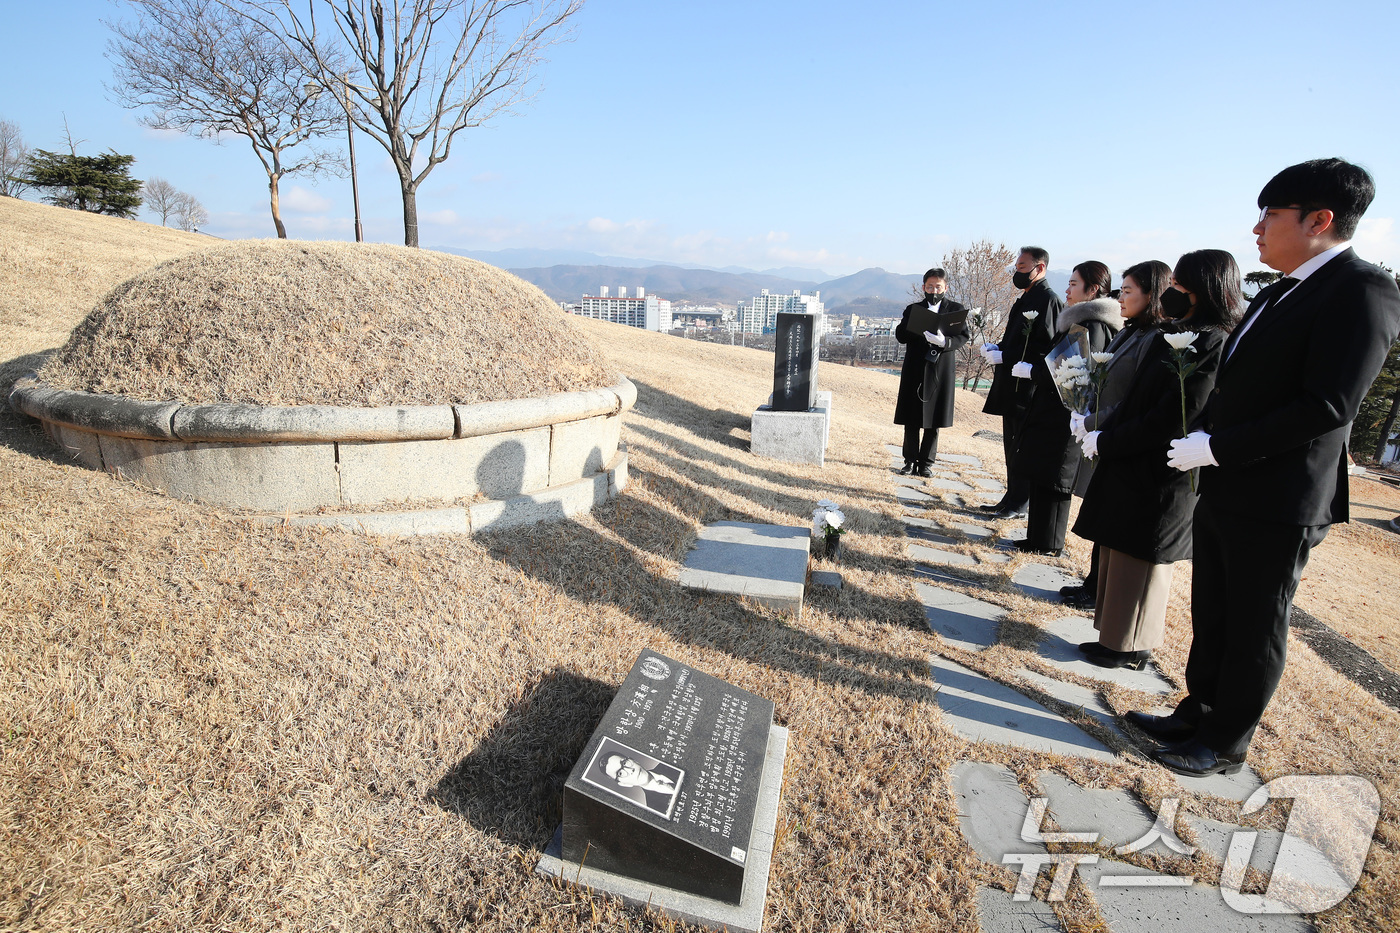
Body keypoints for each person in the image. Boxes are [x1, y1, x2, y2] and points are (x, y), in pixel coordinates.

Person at [1129, 159, 1400, 777]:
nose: (1256, 230)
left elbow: (1328, 404)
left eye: (1270, 216)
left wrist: (1219, 447)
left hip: (1282, 494)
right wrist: (1206, 437)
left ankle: (1225, 739)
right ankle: (1197, 709)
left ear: (1320, 220)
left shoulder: (1362, 289)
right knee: (1216, 608)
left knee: (1255, 619)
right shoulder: (1282, 289)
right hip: (1231, 480)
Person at [1072, 252, 1237, 668]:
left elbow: (1172, 414)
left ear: (1205, 290)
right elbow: (1138, 400)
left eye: (1181, 286)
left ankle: (1132, 644)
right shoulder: (1179, 332)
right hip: (1134, 457)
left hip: (1161, 467)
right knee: (1121, 552)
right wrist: (1102, 433)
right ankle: (1115, 638)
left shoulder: (1210, 340)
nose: (1172, 294)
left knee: (1142, 558)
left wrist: (1110, 441)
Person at [1059, 260, 1174, 610]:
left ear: (1152, 295)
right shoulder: (1130, 330)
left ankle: (1096, 589)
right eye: (1121, 291)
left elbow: (1134, 396)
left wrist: (1097, 421)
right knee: (1102, 513)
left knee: (1110, 516)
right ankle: (1093, 583)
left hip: (1118, 431)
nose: (1120, 298)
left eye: (1127, 292)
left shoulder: (1155, 338)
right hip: (1102, 425)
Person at [1009, 261, 1121, 555]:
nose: (1068, 289)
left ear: (1092, 289)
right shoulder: (1077, 319)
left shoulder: (1093, 324)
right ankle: (1036, 537)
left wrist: (1034, 372)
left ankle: (1048, 542)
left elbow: (1076, 369)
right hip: (1051, 407)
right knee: (1042, 474)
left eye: (1074, 284)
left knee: (1056, 479)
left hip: (1066, 412)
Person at [980, 247, 1063, 517]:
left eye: (1023, 267)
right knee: (1011, 444)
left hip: (1027, 384)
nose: (1017, 272)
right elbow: (1016, 339)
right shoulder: (1024, 298)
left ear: (1040, 268)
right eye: (1016, 267)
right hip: (1011, 382)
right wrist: (999, 348)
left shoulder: (1048, 300)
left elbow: (1046, 347)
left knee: (1022, 445)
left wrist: (1008, 356)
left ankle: (1020, 502)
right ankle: (1010, 496)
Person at [894, 268, 971, 476]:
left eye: (938, 286)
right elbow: (900, 335)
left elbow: (963, 337)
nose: (934, 290)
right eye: (930, 286)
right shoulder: (913, 309)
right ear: (923, 287)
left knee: (933, 419)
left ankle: (926, 464)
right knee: (911, 417)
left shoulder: (955, 309)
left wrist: (944, 341)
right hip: (915, 367)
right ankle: (909, 461)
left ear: (946, 287)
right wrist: (914, 325)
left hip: (940, 368)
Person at [604, 754, 677, 794]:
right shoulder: (656, 810)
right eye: (620, 773)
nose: (630, 770)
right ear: (624, 784)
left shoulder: (671, 762)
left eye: (625, 763)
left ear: (634, 760)